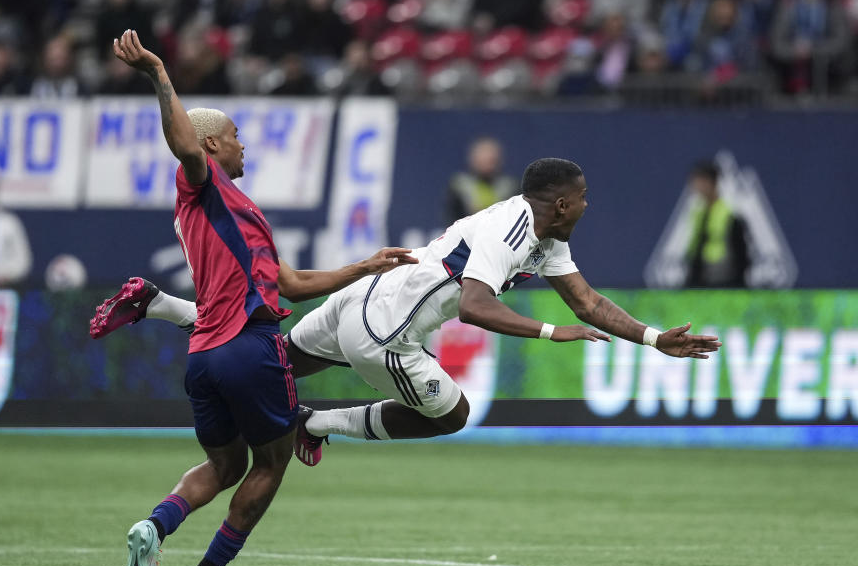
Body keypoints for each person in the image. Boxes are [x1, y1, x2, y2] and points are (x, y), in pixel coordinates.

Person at [92, 158, 722, 467]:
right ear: (559, 203)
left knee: (267, 359)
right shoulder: (513, 226)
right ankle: (315, 427)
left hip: (362, 296)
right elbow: (475, 307)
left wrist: (653, 338)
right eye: (583, 198)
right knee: (452, 414)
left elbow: (588, 299)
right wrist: (553, 332)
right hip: (387, 330)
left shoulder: (546, 236)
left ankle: (162, 304)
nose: (588, 205)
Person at [107, 29, 415, 566]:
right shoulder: (204, 184)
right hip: (251, 346)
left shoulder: (237, 210)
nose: (243, 146)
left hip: (203, 353)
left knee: (224, 467)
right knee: (272, 463)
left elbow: (291, 285)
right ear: (214, 146)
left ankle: (155, 526)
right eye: (236, 136)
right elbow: (185, 145)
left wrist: (365, 267)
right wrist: (158, 74)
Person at [684, 160, 750, 288]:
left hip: (725, 281)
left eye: (699, 181)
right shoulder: (698, 214)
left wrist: (737, 284)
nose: (695, 186)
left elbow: (742, 255)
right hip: (701, 282)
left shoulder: (730, 215)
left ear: (710, 183)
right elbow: (696, 250)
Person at [443, 137, 518, 226]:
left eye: (491, 160)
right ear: (473, 160)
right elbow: (452, 219)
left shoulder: (510, 186)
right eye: (483, 159)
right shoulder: (459, 186)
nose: (488, 165)